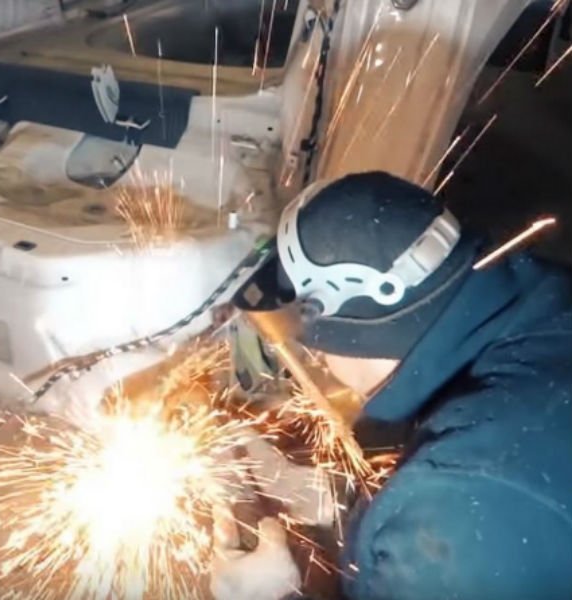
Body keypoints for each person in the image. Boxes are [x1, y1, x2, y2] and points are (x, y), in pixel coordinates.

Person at [223, 171, 572, 600]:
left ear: (354, 331)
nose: (324, 364)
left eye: (319, 350)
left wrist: (274, 596)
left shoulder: (456, 508)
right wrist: (350, 508)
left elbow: (457, 525)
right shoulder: (539, 299)